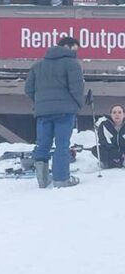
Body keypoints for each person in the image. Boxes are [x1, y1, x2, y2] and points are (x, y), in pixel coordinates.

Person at [25, 35, 85, 188]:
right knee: (62, 144)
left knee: (42, 144)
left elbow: (28, 89)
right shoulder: (72, 64)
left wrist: (41, 103)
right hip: (65, 111)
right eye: (75, 49)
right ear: (67, 47)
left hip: (43, 112)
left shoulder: (37, 66)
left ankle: (43, 180)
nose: (76, 53)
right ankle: (61, 179)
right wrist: (79, 103)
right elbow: (77, 88)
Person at [96, 104, 125, 169]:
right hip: (112, 152)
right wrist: (117, 153)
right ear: (111, 115)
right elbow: (103, 140)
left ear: (124, 115)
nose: (117, 114)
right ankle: (112, 163)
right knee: (96, 149)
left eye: (119, 112)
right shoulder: (104, 125)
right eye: (114, 112)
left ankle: (115, 162)